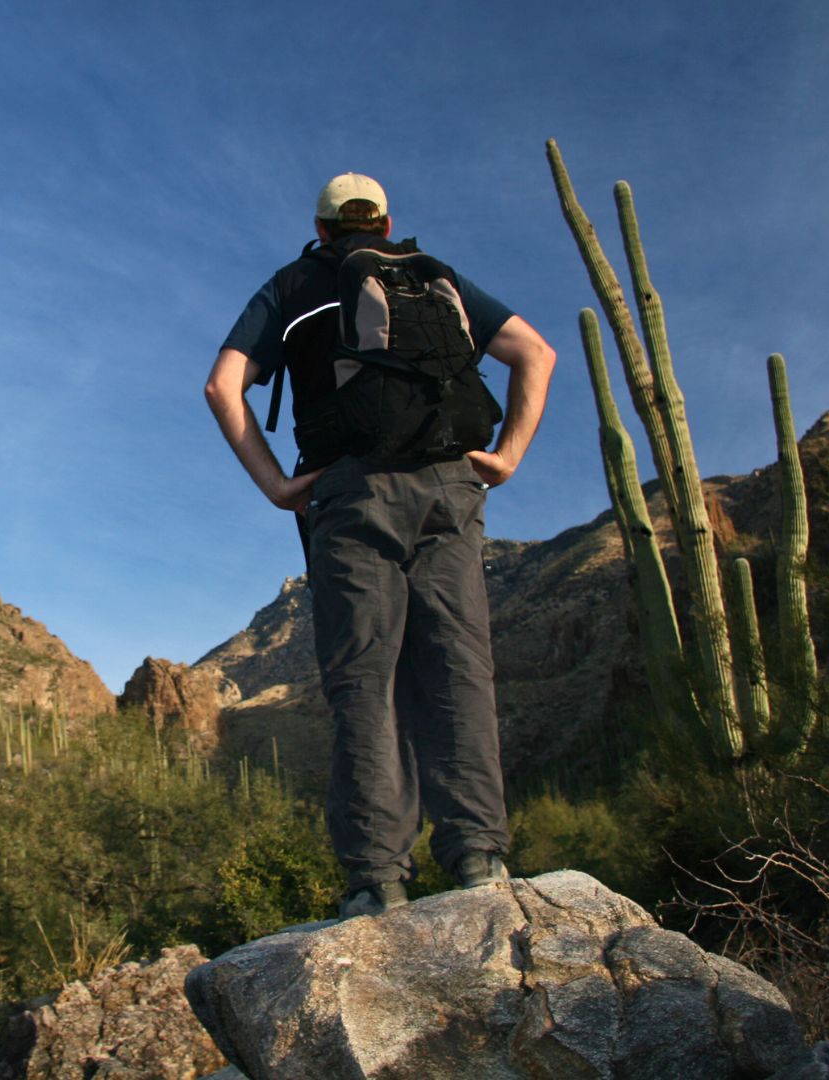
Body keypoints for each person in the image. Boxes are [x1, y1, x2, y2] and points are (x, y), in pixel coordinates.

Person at [205, 173, 555, 919]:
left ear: (322, 228)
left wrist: (275, 484)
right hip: (450, 487)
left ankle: (377, 882)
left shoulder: (295, 283)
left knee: (365, 679)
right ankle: (479, 860)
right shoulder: (433, 276)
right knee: (458, 667)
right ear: (387, 224)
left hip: (352, 490)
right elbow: (537, 353)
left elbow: (222, 386)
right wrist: (507, 457)